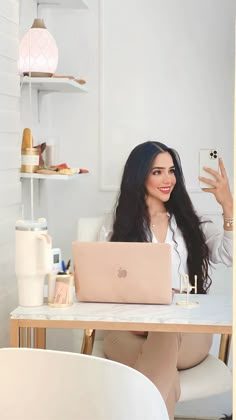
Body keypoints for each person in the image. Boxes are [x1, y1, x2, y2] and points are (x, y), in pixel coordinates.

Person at [99, 141, 233, 419]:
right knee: (160, 366)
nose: (168, 179)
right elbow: (99, 280)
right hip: (127, 331)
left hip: (186, 334)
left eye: (171, 171)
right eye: (157, 171)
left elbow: (229, 255)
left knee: (166, 332)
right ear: (139, 176)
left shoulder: (191, 224)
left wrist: (228, 206)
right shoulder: (116, 225)